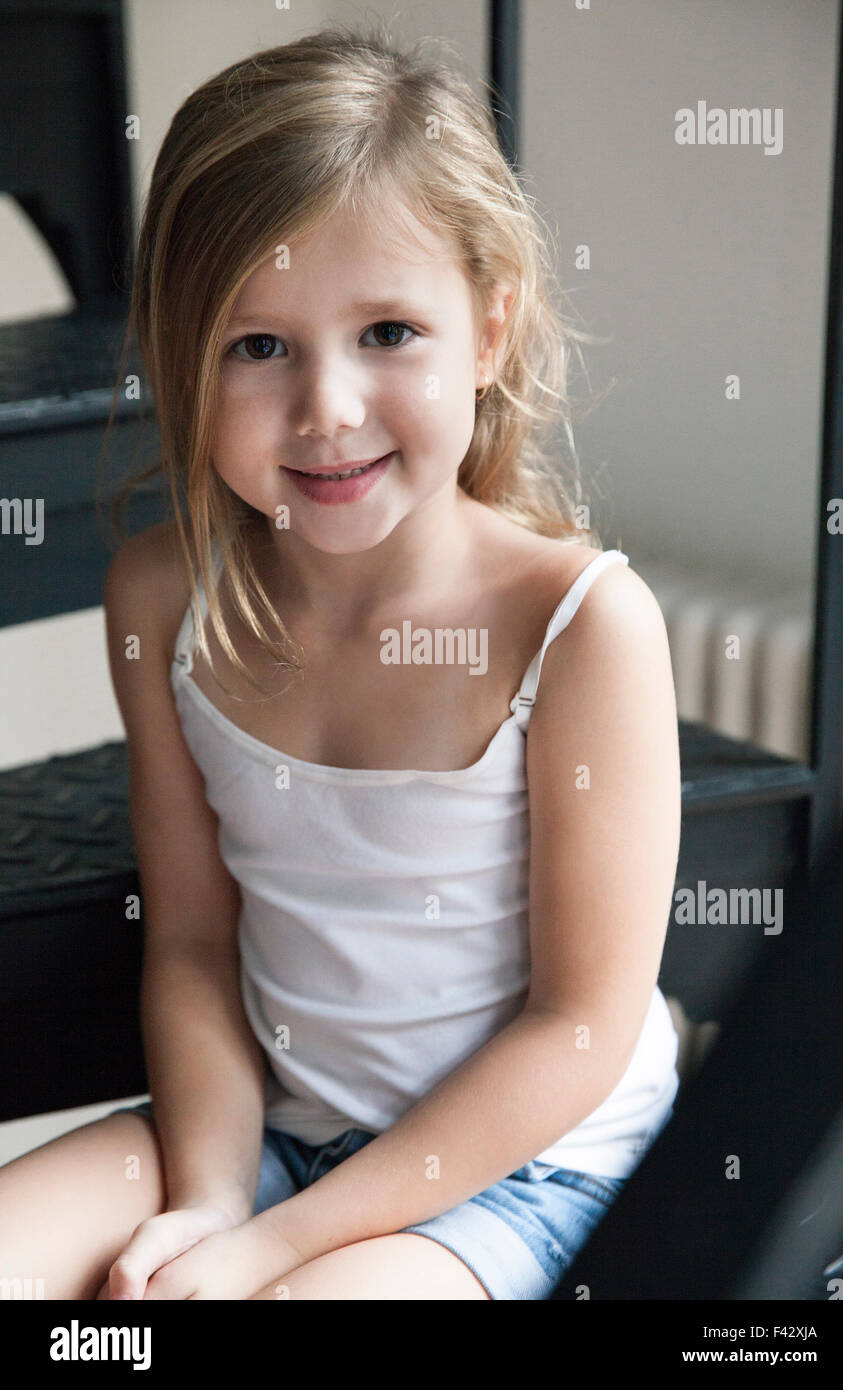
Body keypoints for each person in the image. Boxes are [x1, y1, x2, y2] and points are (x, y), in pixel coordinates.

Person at [0, 25, 681, 1301]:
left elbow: (572, 1033)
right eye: (259, 346)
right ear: (183, 355)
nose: (326, 409)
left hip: (523, 1168)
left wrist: (268, 1250)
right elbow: (195, 943)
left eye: (387, 332)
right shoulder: (164, 597)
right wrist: (210, 1198)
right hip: (271, 1136)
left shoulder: (583, 627)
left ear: (487, 332)